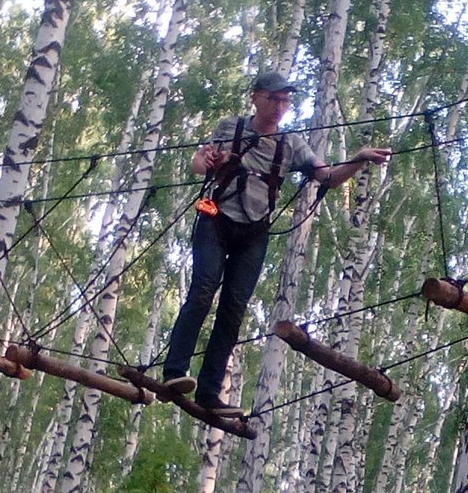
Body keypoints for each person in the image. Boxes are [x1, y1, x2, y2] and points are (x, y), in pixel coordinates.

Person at [161, 71, 391, 412]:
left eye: (285, 100)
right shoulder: (230, 127)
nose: (280, 106)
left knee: (234, 308)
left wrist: (357, 160)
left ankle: (209, 393)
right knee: (203, 289)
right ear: (255, 97)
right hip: (215, 220)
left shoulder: (292, 144)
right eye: (273, 98)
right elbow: (199, 162)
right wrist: (205, 162)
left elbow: (327, 178)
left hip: (254, 232)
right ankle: (174, 372)